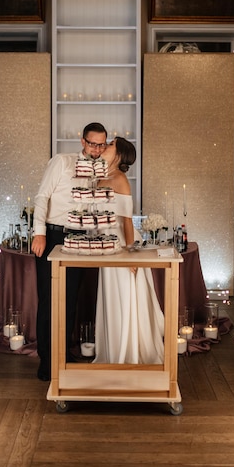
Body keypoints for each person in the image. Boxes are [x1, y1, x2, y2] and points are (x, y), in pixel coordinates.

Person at [31, 122, 108, 381]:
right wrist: (39, 233)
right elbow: (42, 196)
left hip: (79, 239)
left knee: (70, 301)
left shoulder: (99, 170)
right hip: (53, 236)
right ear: (83, 141)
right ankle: (46, 362)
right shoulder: (61, 162)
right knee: (49, 301)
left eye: (102, 144)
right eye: (93, 143)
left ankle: (63, 354)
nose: (97, 149)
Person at [93, 137, 165, 364]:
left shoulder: (120, 179)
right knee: (111, 299)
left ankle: (128, 353)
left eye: (111, 144)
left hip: (120, 246)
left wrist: (129, 255)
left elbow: (126, 222)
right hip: (104, 245)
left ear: (120, 155)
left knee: (123, 298)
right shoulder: (102, 177)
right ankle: (113, 351)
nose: (105, 146)